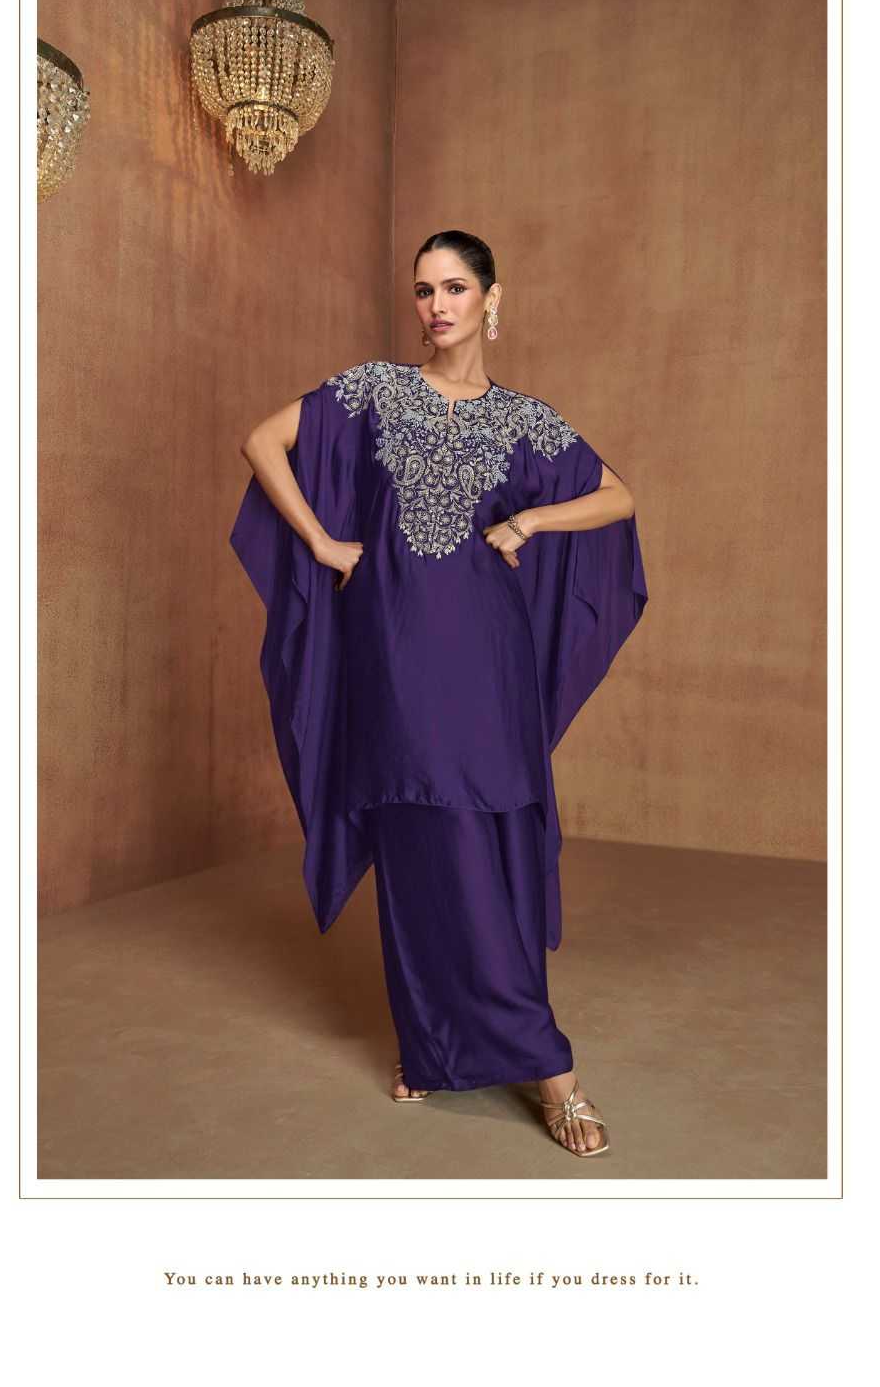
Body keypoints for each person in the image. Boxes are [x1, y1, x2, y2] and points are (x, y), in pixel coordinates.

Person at [231, 230, 648, 1159]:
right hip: (395, 647)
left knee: (496, 838)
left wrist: (531, 518)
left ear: (492, 298)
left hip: (488, 657)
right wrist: (324, 543)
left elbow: (618, 496)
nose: (436, 306)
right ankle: (492, 1058)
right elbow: (262, 442)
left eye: (455, 288)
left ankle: (491, 1050)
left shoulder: (524, 419)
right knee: (421, 835)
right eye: (424, 290)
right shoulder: (375, 391)